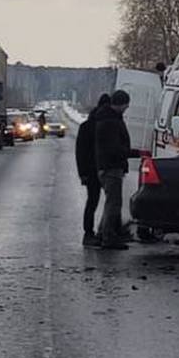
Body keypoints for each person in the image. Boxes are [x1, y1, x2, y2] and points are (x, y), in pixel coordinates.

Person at [94, 89, 135, 250]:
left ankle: (102, 233)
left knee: (110, 203)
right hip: (112, 167)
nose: (127, 108)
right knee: (114, 204)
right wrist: (135, 153)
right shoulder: (111, 121)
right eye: (126, 105)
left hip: (107, 166)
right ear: (120, 104)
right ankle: (108, 237)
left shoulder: (106, 118)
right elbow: (115, 149)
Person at [75, 93, 112, 246]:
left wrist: (82, 173)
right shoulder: (106, 124)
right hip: (103, 168)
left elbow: (80, 152)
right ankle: (107, 231)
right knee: (111, 201)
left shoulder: (86, 126)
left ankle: (89, 233)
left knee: (93, 201)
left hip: (90, 170)